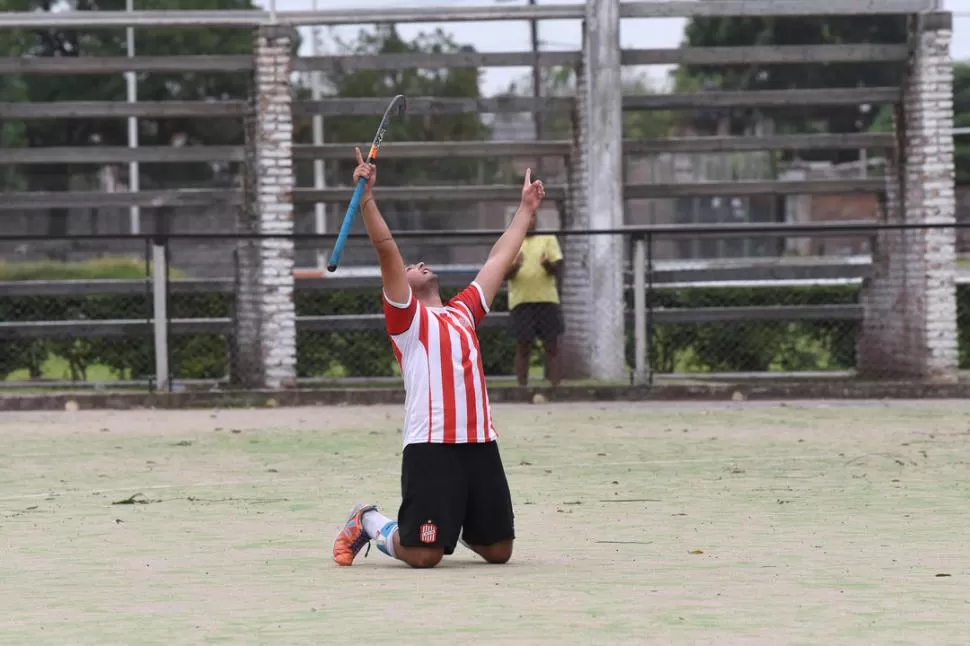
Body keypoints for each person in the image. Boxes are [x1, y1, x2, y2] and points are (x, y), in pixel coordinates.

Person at [332, 146, 546, 569]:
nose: (419, 263)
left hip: (480, 441)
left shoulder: (464, 310)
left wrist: (525, 210)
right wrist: (368, 199)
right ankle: (368, 521)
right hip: (431, 445)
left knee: (499, 551)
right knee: (423, 555)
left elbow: (499, 258)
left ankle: (454, 521)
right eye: (412, 266)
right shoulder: (407, 319)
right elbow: (387, 250)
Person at [505, 210, 564, 387]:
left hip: (547, 299)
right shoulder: (509, 242)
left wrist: (547, 265)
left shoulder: (548, 239)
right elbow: (504, 275)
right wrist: (515, 267)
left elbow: (558, 269)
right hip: (521, 300)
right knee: (523, 346)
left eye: (532, 217)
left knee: (552, 346)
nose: (529, 221)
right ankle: (521, 388)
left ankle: (556, 389)